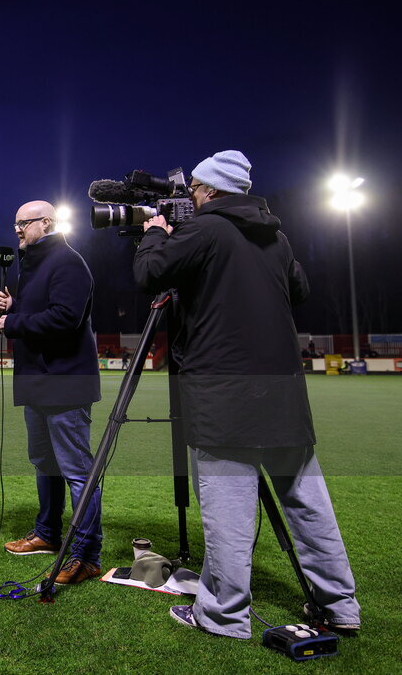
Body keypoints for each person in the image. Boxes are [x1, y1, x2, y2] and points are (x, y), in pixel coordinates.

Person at [133, 150, 360, 638]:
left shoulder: (206, 229)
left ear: (212, 191)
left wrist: (154, 231)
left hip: (224, 397)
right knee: (308, 505)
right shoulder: (276, 236)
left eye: (195, 188)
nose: (190, 197)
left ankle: (224, 614)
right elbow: (297, 289)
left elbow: (150, 274)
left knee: (228, 513)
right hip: (284, 398)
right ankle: (341, 605)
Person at [0, 200, 103, 585]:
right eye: (15, 224)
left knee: (77, 471)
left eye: (23, 224)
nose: (17, 231)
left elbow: (65, 319)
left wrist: (15, 321)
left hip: (65, 383)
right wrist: (16, 306)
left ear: (47, 222)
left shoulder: (68, 262)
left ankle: (87, 555)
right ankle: (47, 534)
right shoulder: (36, 264)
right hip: (39, 382)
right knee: (44, 462)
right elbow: (45, 311)